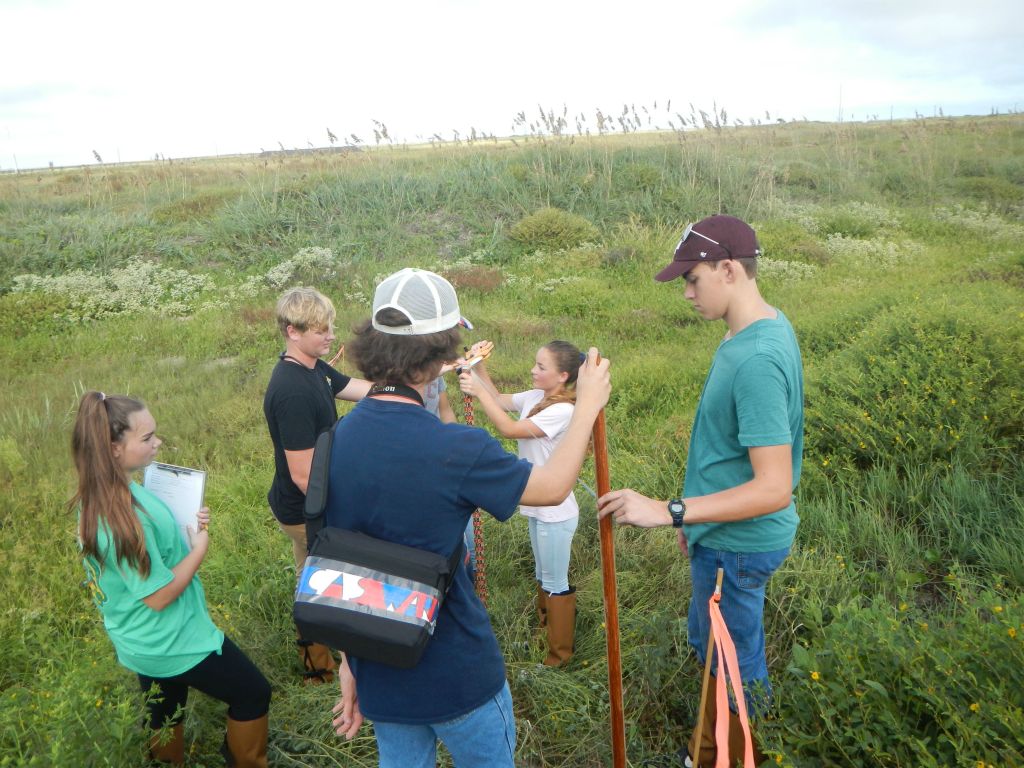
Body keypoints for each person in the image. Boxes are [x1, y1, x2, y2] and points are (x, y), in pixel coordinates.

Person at [326, 268, 611, 768]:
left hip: (379, 670)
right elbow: (551, 488)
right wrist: (585, 408)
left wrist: (349, 665)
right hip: (456, 672)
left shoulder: (338, 439)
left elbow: (338, 561)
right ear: (440, 354)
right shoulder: (455, 448)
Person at [596, 215, 804, 766]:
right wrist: (695, 524)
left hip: (739, 545)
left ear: (729, 269)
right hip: (719, 535)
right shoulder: (751, 330)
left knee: (734, 658)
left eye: (693, 278)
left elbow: (774, 488)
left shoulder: (757, 359)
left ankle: (726, 757)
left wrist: (671, 512)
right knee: (711, 641)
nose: (686, 293)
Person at [71, 392, 272, 767]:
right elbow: (159, 596)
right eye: (146, 438)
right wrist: (199, 548)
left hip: (140, 639)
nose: (157, 443)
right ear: (114, 448)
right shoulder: (121, 521)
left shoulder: (106, 496)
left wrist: (182, 525)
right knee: (252, 692)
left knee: (165, 713)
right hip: (173, 638)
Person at [263, 286, 371, 684]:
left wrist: (402, 389)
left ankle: (317, 669)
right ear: (293, 331)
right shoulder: (291, 390)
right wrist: (349, 506)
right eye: (321, 330)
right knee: (333, 581)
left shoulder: (314, 368)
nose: (330, 337)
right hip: (304, 507)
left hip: (306, 503)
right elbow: (303, 475)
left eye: (331, 328)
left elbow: (353, 388)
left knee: (309, 578)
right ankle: (340, 665)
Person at [459, 340, 584, 666]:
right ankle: (545, 637)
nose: (533, 370)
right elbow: (499, 399)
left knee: (555, 582)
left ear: (563, 376)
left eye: (542, 367)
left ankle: (558, 656)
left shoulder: (562, 410)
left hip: (555, 512)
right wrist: (478, 364)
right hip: (539, 506)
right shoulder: (535, 397)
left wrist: (478, 391)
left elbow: (510, 428)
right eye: (535, 363)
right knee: (543, 577)